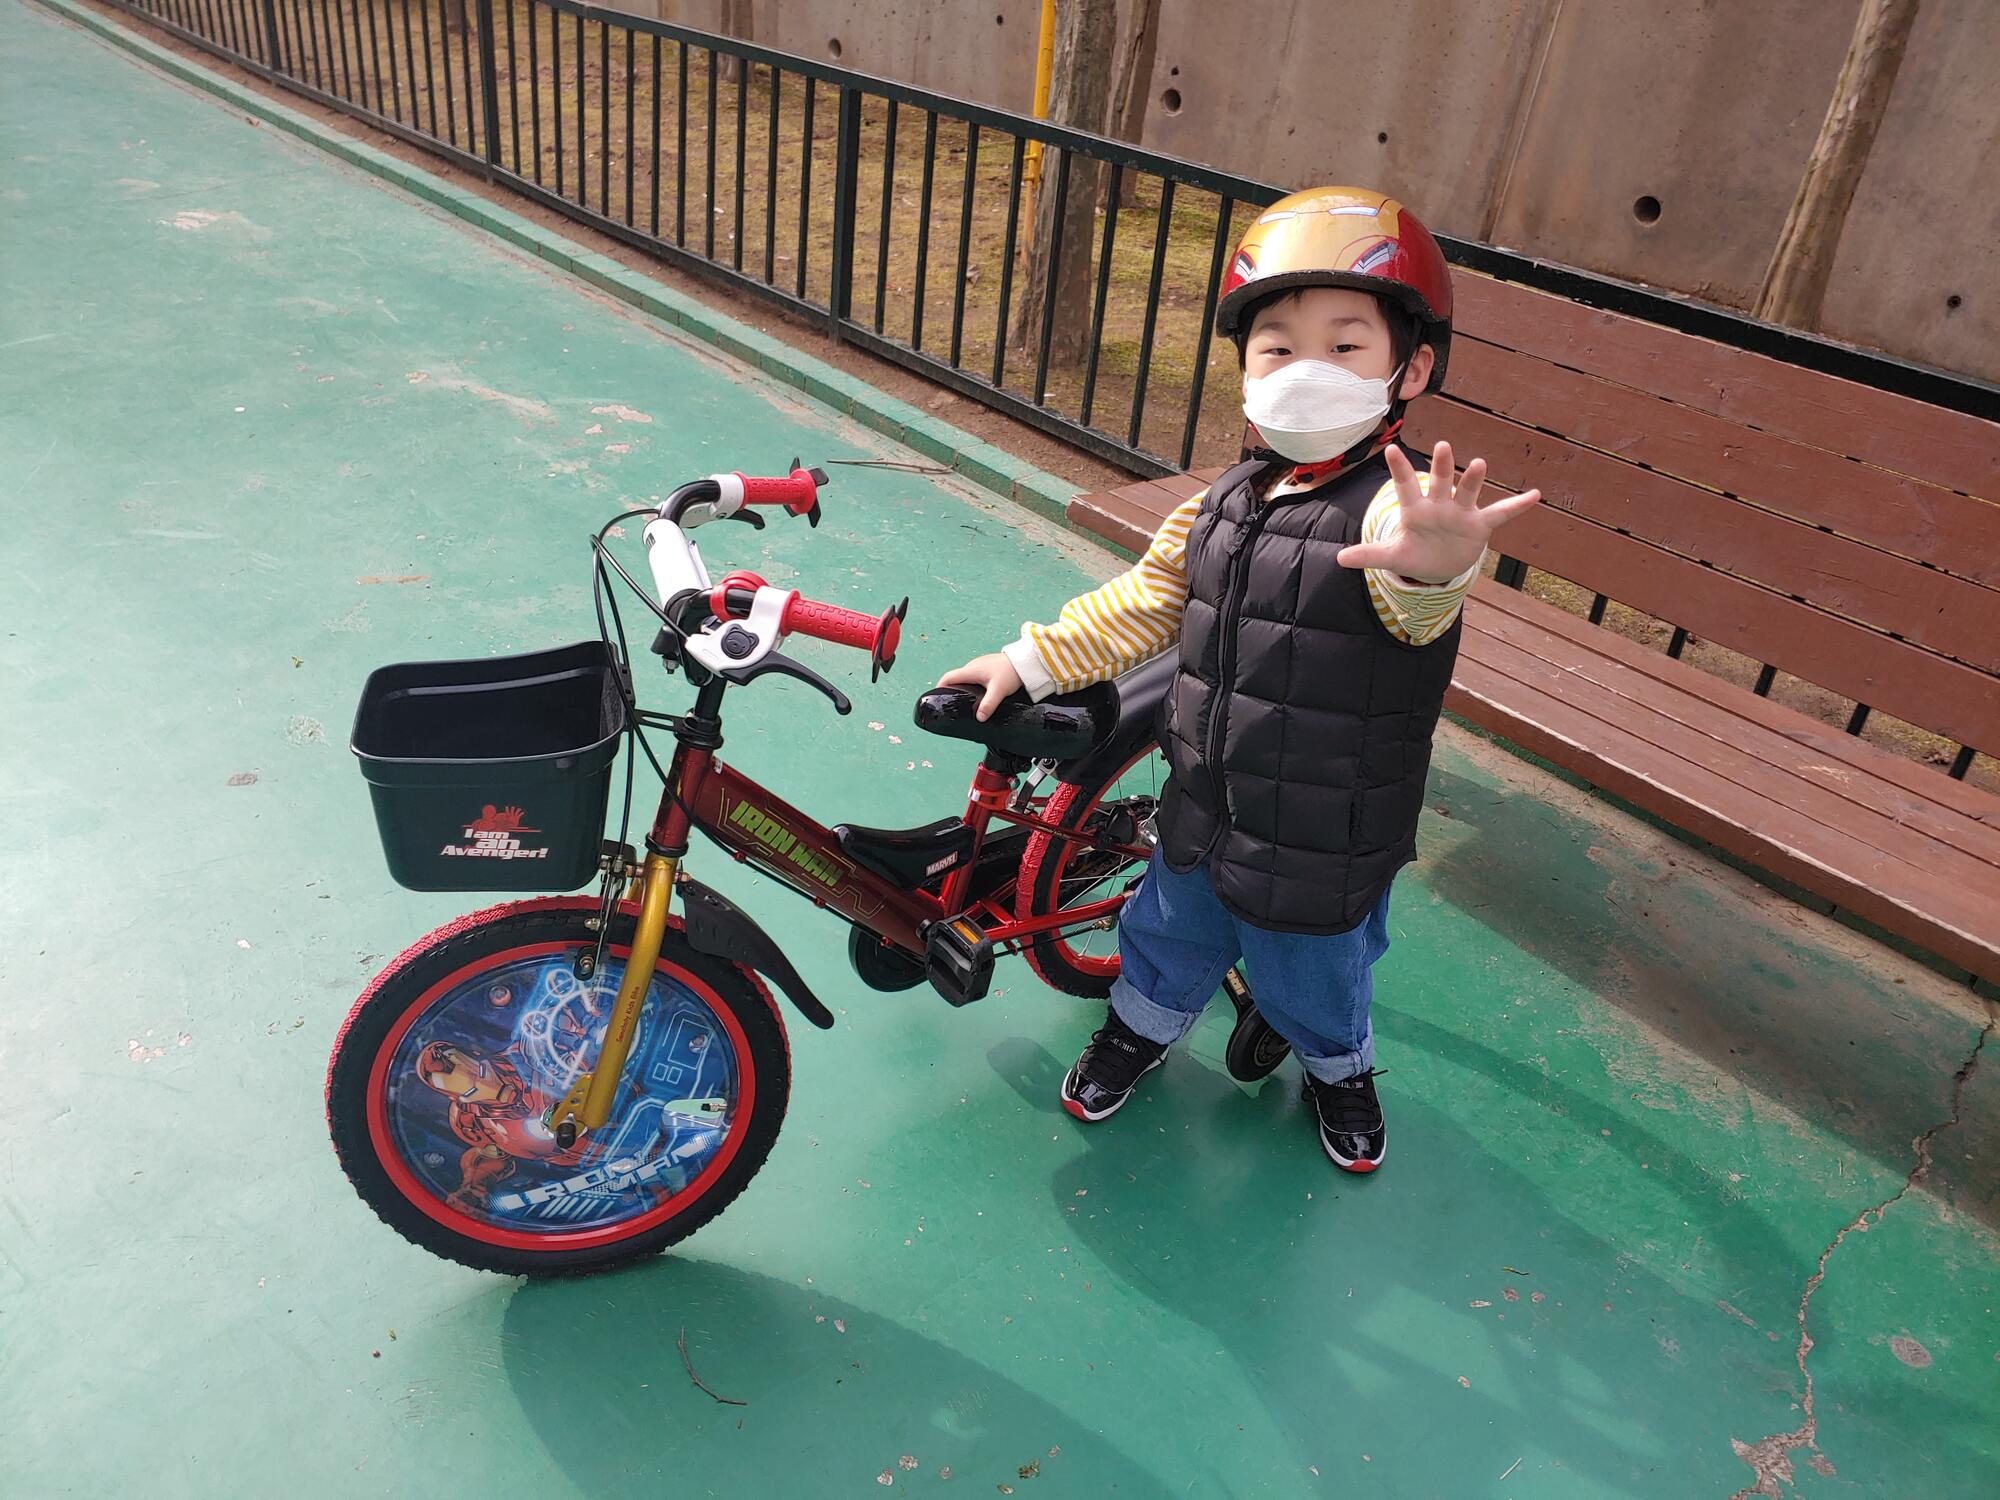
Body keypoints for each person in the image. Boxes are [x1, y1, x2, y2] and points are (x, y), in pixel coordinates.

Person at [936, 186, 1541, 1172]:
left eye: (1344, 346)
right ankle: (1136, 1030)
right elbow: (1144, 602)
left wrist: (1437, 561)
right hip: (1202, 807)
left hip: (1324, 836)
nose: (1306, 371)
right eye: (1277, 346)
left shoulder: (1389, 514)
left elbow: (1416, 603)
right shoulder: (1223, 499)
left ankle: (1338, 1071)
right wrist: (1028, 660)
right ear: (1245, 368)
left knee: (1316, 975)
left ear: (1412, 367)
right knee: (1163, 938)